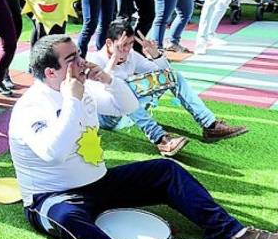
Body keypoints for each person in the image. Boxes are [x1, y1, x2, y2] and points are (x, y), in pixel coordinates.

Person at [10, 33, 278, 239]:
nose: (82, 62)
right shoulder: (31, 107)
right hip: (55, 197)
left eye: (79, 54)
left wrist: (107, 79)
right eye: (72, 59)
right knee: (69, 220)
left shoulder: (82, 89)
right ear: (50, 72)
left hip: (99, 183)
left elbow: (125, 106)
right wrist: (72, 99)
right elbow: (52, 152)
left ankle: (232, 234)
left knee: (165, 170)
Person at [89, 18, 247, 156]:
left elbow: (165, 75)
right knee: (126, 89)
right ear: (109, 43)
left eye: (130, 44)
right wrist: (114, 60)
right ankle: (161, 139)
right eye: (123, 45)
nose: (127, 50)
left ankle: (210, 125)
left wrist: (155, 55)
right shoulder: (94, 60)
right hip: (108, 118)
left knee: (174, 77)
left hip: (130, 110)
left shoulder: (131, 56)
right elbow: (102, 93)